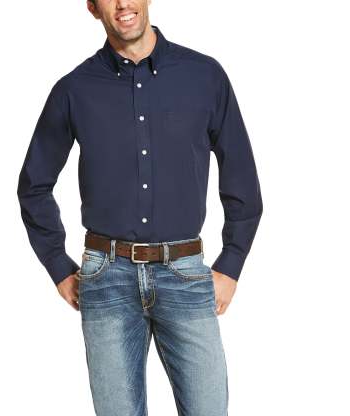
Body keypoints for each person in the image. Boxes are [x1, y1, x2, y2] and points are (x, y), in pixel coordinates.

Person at [17, 1, 263, 414]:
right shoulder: (74, 89)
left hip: (185, 273)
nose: (123, 4)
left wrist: (232, 263)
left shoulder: (204, 76)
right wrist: (58, 266)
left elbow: (240, 174)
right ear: (93, 8)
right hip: (106, 277)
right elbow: (33, 186)